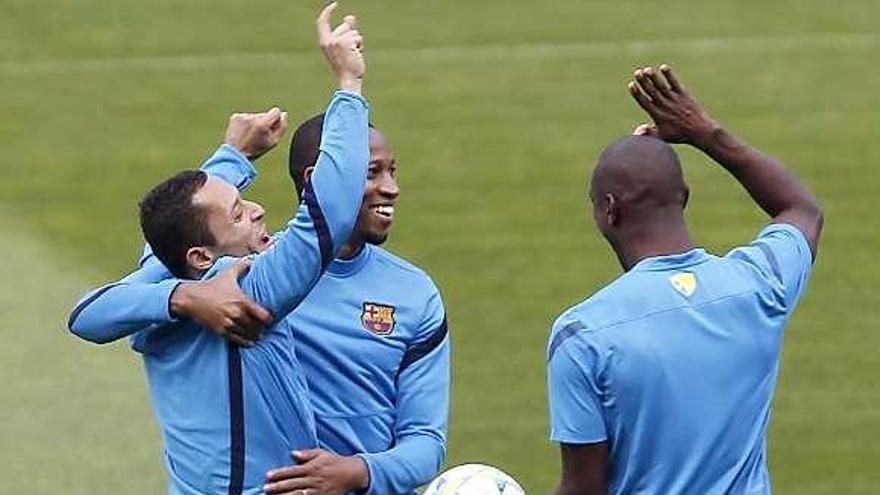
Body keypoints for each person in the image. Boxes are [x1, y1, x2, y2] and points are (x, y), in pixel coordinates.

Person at [68, 4, 371, 494]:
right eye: (236, 213)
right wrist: (349, 87)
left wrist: (233, 158)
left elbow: (87, 313)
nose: (256, 211)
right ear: (201, 258)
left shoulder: (164, 277)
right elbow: (331, 212)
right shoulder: (247, 290)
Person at [67, 112, 450, 495]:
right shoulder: (248, 280)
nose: (391, 188)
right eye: (369, 172)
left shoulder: (414, 294)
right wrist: (349, 84)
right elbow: (177, 231)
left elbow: (426, 441)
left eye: (392, 171)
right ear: (322, 178)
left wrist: (357, 472)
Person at [548, 65, 823, 495]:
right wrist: (703, 132)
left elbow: (584, 488)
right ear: (685, 198)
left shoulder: (583, 335)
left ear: (609, 210)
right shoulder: (758, 286)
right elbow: (802, 209)